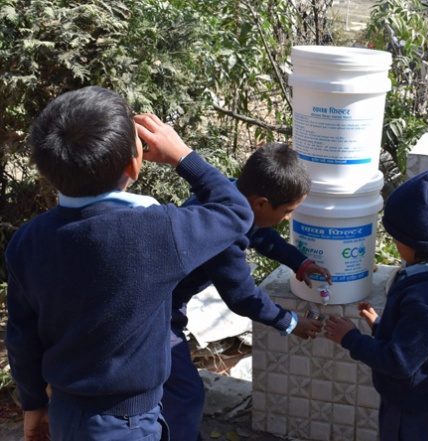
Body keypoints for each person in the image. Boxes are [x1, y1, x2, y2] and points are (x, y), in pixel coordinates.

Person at [4, 86, 254, 441]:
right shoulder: (157, 232)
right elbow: (235, 210)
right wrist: (183, 156)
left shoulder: (28, 241)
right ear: (134, 164)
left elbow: (21, 337)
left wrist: (32, 403)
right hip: (126, 424)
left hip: (66, 412)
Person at [163, 142, 332, 441]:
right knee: (184, 394)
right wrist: (290, 322)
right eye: (288, 211)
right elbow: (242, 296)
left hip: (164, 302)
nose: (288, 219)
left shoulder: (227, 192)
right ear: (262, 203)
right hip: (156, 312)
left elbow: (260, 235)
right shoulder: (223, 235)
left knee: (170, 388)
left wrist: (300, 263)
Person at [323, 169, 428, 441]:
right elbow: (414, 344)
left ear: (413, 242)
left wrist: (351, 338)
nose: (395, 244)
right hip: (411, 400)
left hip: (413, 413)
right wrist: (378, 324)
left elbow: (398, 361)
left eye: (396, 239)